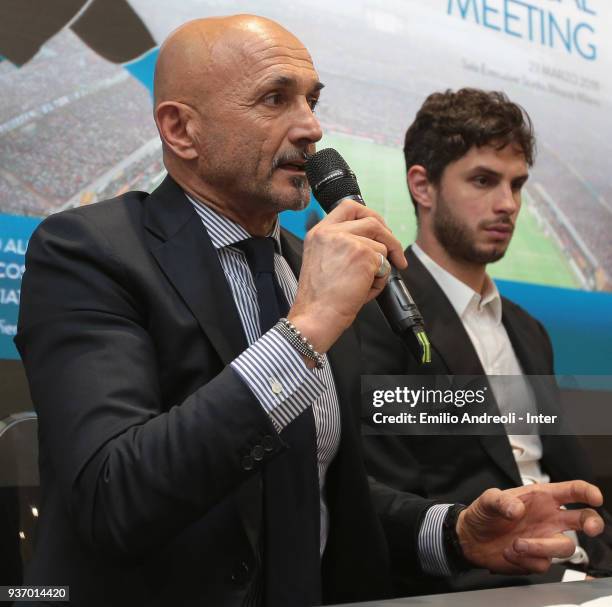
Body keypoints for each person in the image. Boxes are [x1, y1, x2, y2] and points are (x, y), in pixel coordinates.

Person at [16, 19, 605, 607]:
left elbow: (314, 490)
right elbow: (112, 497)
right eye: (275, 99)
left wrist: (450, 531)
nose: (312, 128)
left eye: (312, 99)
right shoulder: (88, 253)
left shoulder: (308, 269)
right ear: (180, 128)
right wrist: (306, 327)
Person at [359, 88, 612, 594]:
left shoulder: (528, 329)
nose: (508, 204)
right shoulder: (374, 314)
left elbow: (562, 468)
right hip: (481, 583)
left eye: (517, 185)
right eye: (483, 180)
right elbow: (375, 500)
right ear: (422, 186)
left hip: (587, 570)